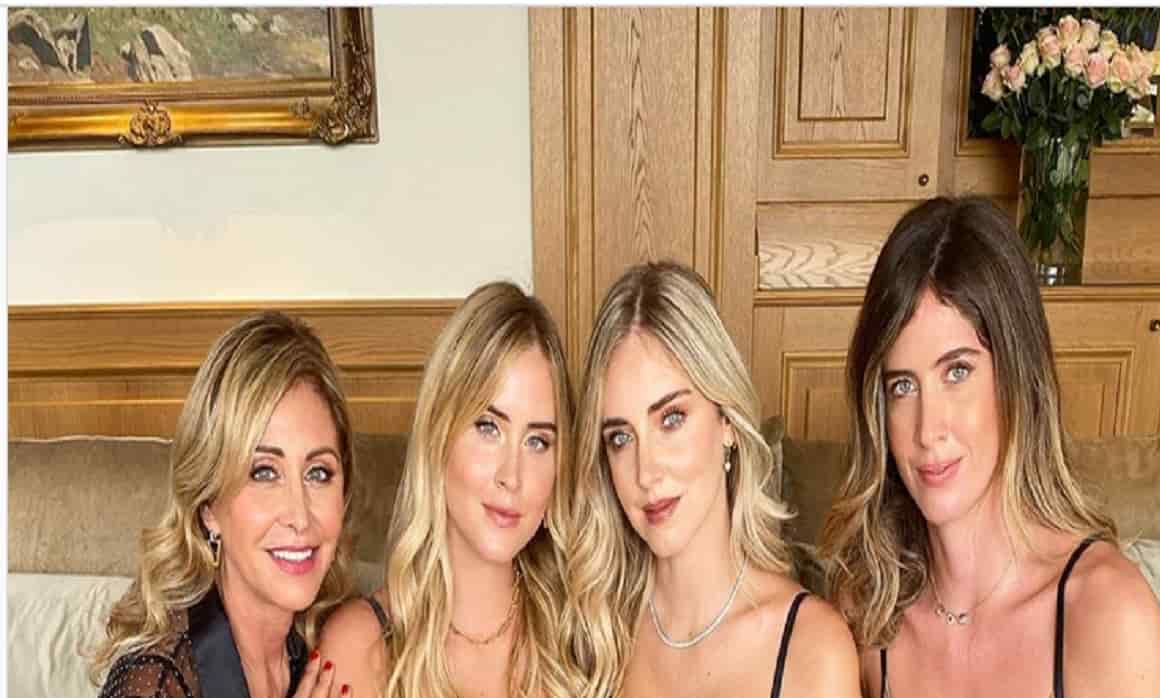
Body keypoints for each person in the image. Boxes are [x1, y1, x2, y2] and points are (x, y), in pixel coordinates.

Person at [821, 196, 1160, 698]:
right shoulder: (868, 608)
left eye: (957, 371)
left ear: (1016, 376)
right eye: (902, 386)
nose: (928, 430)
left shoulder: (1107, 614)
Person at [566, 261, 859, 698]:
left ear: (727, 423)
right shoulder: (593, 631)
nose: (646, 472)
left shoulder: (811, 648)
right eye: (620, 437)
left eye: (671, 418)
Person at [318, 282, 577, 698]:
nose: (512, 476)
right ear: (438, 437)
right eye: (488, 427)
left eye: (538, 441)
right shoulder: (359, 646)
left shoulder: (582, 634)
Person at [94, 311, 358, 698]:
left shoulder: (321, 650)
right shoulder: (155, 682)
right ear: (209, 506)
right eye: (264, 472)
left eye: (318, 473)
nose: (300, 517)